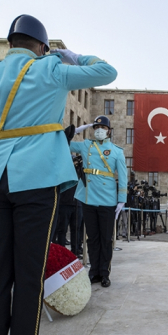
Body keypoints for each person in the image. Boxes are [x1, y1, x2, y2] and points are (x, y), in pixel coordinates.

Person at [0, 15, 116, 335]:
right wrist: (75, 57)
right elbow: (107, 71)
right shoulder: (51, 68)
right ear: (41, 46)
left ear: (10, 43)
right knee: (29, 272)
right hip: (38, 180)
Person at [70, 115, 126, 287]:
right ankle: (93, 271)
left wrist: (121, 200)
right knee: (92, 238)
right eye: (96, 127)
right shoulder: (86, 145)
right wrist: (76, 130)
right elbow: (63, 142)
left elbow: (123, 177)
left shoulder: (117, 151)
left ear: (108, 131)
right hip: (89, 198)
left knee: (105, 239)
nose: (99, 130)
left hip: (108, 200)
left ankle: (104, 273)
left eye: (102, 127)